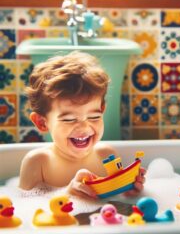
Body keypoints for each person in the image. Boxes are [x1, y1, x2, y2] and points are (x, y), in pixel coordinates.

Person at [19, 51, 145, 198]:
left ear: (102, 111)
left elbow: (117, 201)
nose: (84, 128)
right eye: (69, 119)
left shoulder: (107, 156)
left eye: (94, 116)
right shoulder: (38, 162)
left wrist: (129, 192)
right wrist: (66, 195)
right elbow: (26, 211)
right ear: (42, 122)